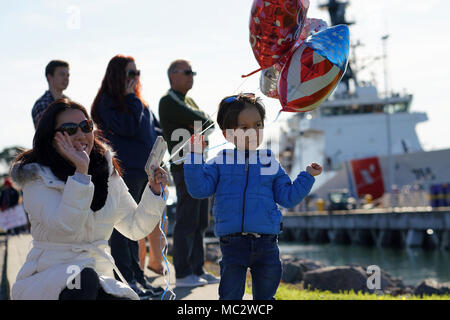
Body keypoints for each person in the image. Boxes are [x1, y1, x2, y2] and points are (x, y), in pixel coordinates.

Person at [9, 99, 169, 300]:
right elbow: (67, 227)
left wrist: (154, 191)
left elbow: (135, 227)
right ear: (51, 136)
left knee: (102, 287)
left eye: (86, 126)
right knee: (83, 280)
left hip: (98, 274)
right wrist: (81, 174)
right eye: (69, 129)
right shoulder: (36, 177)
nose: (80, 135)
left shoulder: (105, 169)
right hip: (50, 276)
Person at [184, 93, 323, 300]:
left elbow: (287, 197)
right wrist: (194, 156)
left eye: (258, 125)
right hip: (233, 244)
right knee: (230, 296)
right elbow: (199, 189)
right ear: (226, 134)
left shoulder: (269, 161)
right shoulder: (220, 161)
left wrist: (307, 177)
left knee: (266, 297)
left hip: (267, 244)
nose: (253, 132)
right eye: (244, 128)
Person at [91, 54, 165, 297]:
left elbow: (151, 129)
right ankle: (126, 280)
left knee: (136, 229)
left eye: (137, 73)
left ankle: (137, 276)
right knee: (124, 230)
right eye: (130, 73)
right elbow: (128, 126)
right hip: (123, 172)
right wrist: (133, 98)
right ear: (117, 76)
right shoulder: (106, 103)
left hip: (143, 171)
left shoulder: (138, 101)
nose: (135, 78)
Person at [158, 59, 219, 287]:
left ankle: (197, 269)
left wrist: (202, 123)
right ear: (172, 75)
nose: (191, 75)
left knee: (201, 219)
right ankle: (183, 274)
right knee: (187, 218)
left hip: (199, 163)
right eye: (186, 72)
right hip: (183, 164)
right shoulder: (168, 100)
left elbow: (209, 123)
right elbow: (204, 121)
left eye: (193, 72)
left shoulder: (188, 100)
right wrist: (202, 122)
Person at [32, 60, 70, 129]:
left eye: (68, 75)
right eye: (62, 74)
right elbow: (45, 131)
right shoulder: (41, 103)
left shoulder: (69, 102)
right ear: (49, 77)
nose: (66, 78)